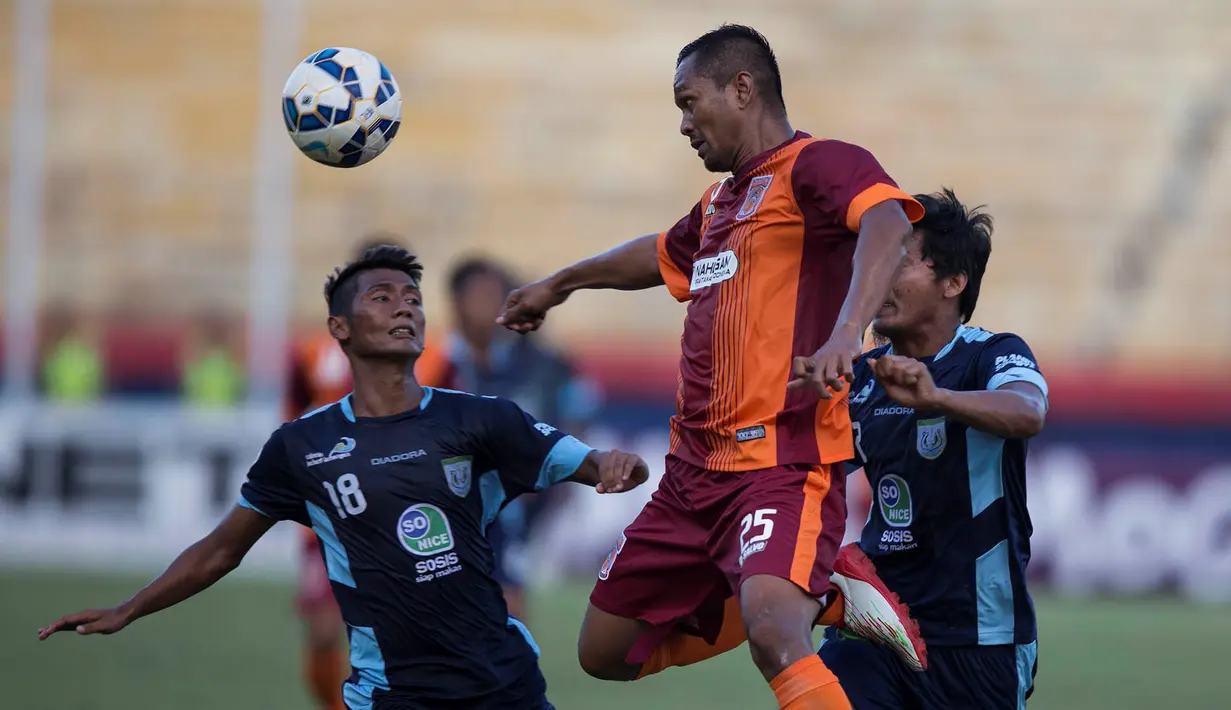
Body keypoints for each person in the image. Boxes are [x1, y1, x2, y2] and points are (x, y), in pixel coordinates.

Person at [498, 23, 928, 709]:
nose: (682, 123)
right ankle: (819, 596)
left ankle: (797, 600)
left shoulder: (816, 165)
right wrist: (562, 283)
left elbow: (887, 219)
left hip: (782, 464)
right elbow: (656, 255)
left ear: (741, 88)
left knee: (772, 636)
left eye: (688, 101)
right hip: (691, 476)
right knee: (604, 653)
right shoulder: (721, 202)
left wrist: (848, 330)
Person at [38, 245, 651, 710]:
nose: (406, 304)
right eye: (383, 297)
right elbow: (222, 550)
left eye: (412, 296)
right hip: (390, 694)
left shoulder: (480, 418)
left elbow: (584, 459)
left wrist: (614, 466)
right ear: (340, 329)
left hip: (504, 684)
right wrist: (130, 608)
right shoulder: (301, 447)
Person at [819, 189, 1046, 708]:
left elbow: (1027, 412)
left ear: (953, 283)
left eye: (898, 262)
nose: (877, 280)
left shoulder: (990, 355)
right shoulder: (858, 378)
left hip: (979, 639)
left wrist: (936, 398)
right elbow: (812, 474)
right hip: (878, 624)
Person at [286, 236, 451, 710]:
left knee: (413, 640)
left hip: (406, 513)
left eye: (407, 292)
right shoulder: (314, 353)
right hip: (333, 512)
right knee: (322, 633)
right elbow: (294, 415)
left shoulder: (436, 354)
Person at [439, 256, 602, 620]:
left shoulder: (544, 364)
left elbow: (577, 414)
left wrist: (562, 475)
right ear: (456, 303)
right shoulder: (433, 363)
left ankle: (511, 667)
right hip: (443, 501)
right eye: (478, 295)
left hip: (511, 498)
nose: (487, 305)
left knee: (507, 601)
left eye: (494, 295)